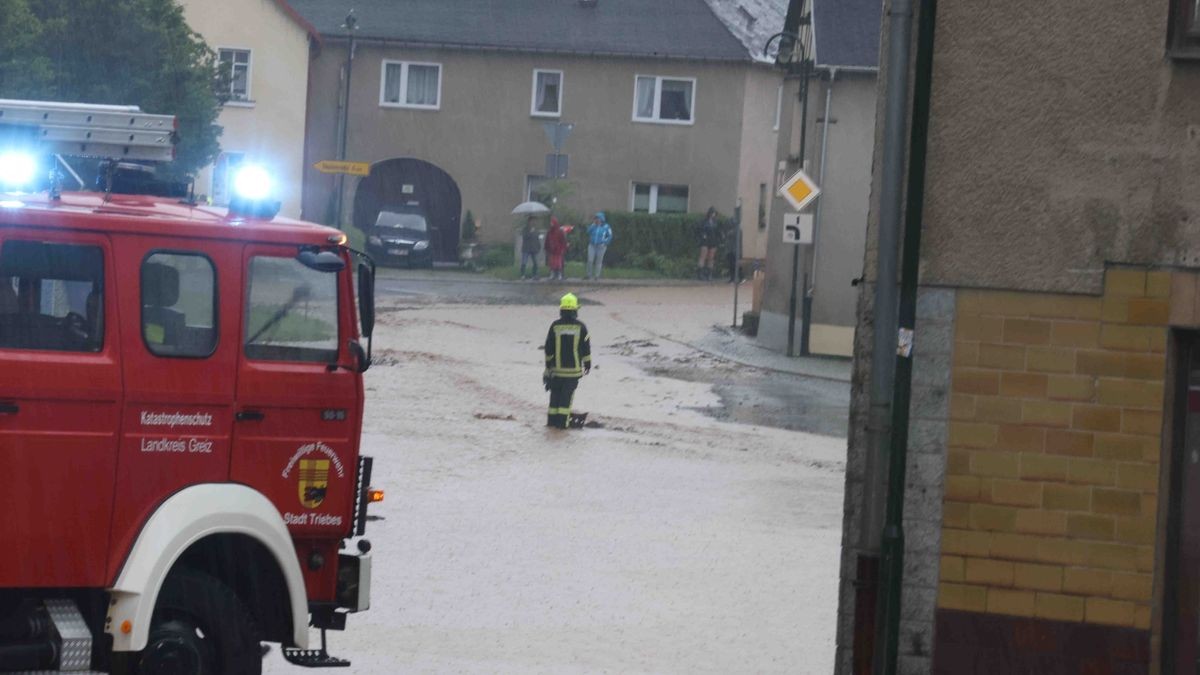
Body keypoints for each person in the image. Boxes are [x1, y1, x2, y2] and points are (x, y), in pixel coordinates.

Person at [543, 292, 591, 429]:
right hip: (573, 373)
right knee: (565, 401)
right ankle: (562, 429)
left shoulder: (555, 326)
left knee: (554, 400)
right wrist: (587, 364)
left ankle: (551, 425)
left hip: (557, 371)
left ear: (561, 310)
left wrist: (548, 366)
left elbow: (548, 348)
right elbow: (586, 348)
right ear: (575, 310)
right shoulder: (581, 327)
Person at [585, 212, 613, 280]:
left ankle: (597, 276)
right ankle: (588, 275)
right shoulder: (593, 225)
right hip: (592, 245)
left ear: (601, 219)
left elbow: (610, 235)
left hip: (601, 246)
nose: (596, 220)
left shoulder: (606, 226)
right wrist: (593, 225)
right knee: (590, 260)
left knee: (598, 261)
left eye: (598, 218)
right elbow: (588, 231)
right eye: (596, 218)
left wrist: (605, 242)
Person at [697, 207, 719, 281]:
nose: (714, 214)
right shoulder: (704, 221)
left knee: (711, 258)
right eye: (713, 213)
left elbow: (717, 232)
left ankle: (709, 274)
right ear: (709, 213)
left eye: (715, 213)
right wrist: (703, 235)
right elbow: (700, 230)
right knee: (703, 256)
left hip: (713, 241)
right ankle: (700, 274)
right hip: (705, 241)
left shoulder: (715, 222)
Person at [544, 216, 567, 281]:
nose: (551, 224)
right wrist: (546, 248)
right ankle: (552, 274)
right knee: (552, 263)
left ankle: (559, 274)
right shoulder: (550, 232)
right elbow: (547, 240)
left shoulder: (560, 232)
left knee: (558, 262)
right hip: (552, 250)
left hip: (558, 250)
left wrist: (563, 248)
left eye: (552, 222)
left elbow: (563, 241)